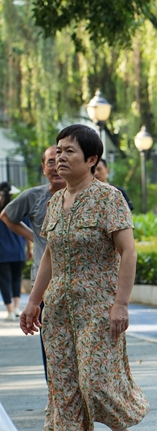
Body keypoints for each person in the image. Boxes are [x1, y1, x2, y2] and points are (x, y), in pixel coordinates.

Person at [19, 124, 149, 431]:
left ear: (92, 160)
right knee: (65, 386)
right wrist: (33, 300)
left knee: (95, 381)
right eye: (58, 151)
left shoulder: (109, 198)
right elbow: (50, 255)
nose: (60, 157)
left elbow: (128, 251)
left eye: (69, 151)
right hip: (59, 308)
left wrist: (121, 303)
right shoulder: (55, 201)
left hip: (99, 307)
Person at [1, 145, 67, 379]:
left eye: (60, 159)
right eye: (50, 161)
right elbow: (7, 216)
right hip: (45, 281)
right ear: (43, 167)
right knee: (50, 342)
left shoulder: (82, 195)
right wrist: (34, 237)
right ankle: (56, 393)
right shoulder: (33, 196)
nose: (56, 166)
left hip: (79, 281)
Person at [0, 182, 28, 320]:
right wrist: (29, 249)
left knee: (4, 281)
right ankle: (17, 308)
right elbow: (28, 230)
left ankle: (10, 311)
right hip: (18, 251)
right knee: (17, 279)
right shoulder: (19, 209)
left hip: (2, 252)